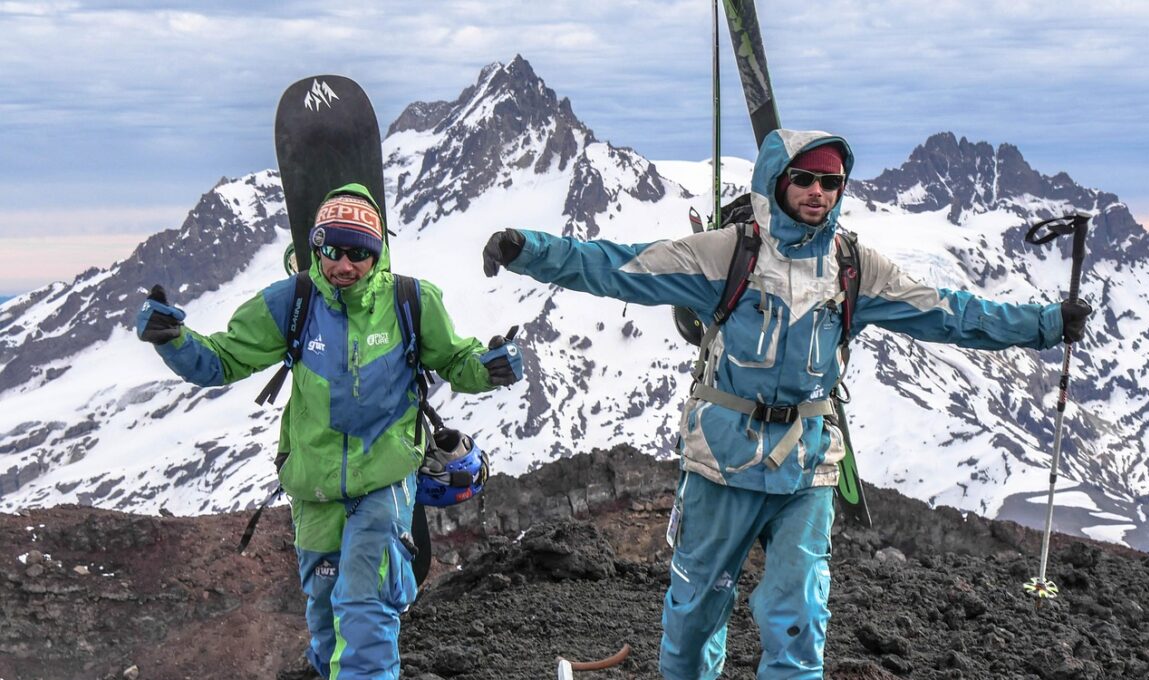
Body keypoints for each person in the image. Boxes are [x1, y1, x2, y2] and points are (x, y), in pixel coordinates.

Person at [481, 130, 1091, 679]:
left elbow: (947, 313)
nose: (818, 192)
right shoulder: (726, 255)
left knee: (799, 617)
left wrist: (1043, 324)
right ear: (777, 181)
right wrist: (525, 250)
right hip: (723, 463)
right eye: (805, 178)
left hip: (807, 464)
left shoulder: (853, 268)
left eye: (831, 182)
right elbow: (617, 267)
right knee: (693, 618)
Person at [137, 182, 524, 680]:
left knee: (365, 606)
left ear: (377, 253)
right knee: (325, 620)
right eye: (332, 249)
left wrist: (488, 368)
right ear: (315, 247)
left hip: (384, 479)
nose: (344, 264)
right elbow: (222, 360)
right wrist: (173, 341)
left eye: (359, 252)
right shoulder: (293, 301)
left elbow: (456, 359)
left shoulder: (411, 301)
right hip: (314, 487)